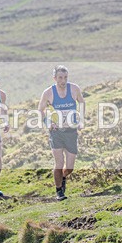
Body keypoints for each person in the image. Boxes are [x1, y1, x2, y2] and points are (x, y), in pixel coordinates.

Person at [39, 65, 85, 201]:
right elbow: (40, 110)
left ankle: (63, 177)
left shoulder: (74, 89)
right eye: (60, 78)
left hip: (71, 131)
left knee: (69, 167)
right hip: (56, 132)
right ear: (54, 78)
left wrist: (81, 120)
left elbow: (82, 102)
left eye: (65, 77)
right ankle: (59, 191)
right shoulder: (48, 93)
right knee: (59, 163)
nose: (63, 80)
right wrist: (48, 123)